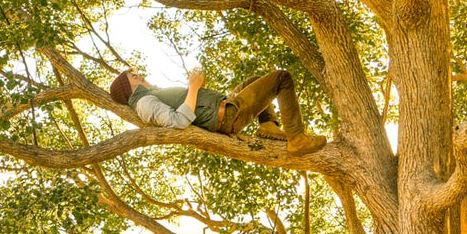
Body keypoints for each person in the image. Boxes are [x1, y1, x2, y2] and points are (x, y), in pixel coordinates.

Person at [109, 67, 327, 156]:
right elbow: (178, 121)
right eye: (134, 77)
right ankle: (297, 139)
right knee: (282, 78)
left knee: (254, 81)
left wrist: (198, 88)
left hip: (225, 107)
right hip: (227, 116)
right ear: (130, 88)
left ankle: (268, 125)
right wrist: (193, 87)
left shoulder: (151, 95)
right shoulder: (144, 103)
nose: (141, 76)